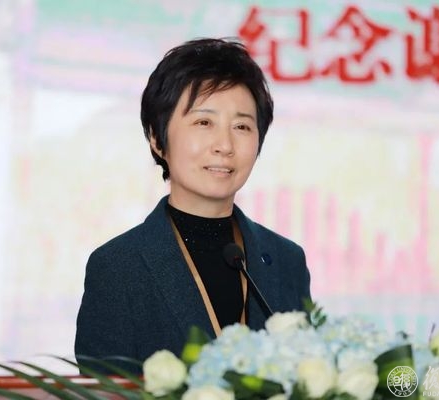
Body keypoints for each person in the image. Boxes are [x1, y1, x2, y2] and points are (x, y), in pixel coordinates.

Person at [75, 38, 311, 371]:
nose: (225, 145)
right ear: (157, 139)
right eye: (204, 123)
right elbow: (103, 388)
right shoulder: (118, 267)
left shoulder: (286, 261)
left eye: (242, 126)